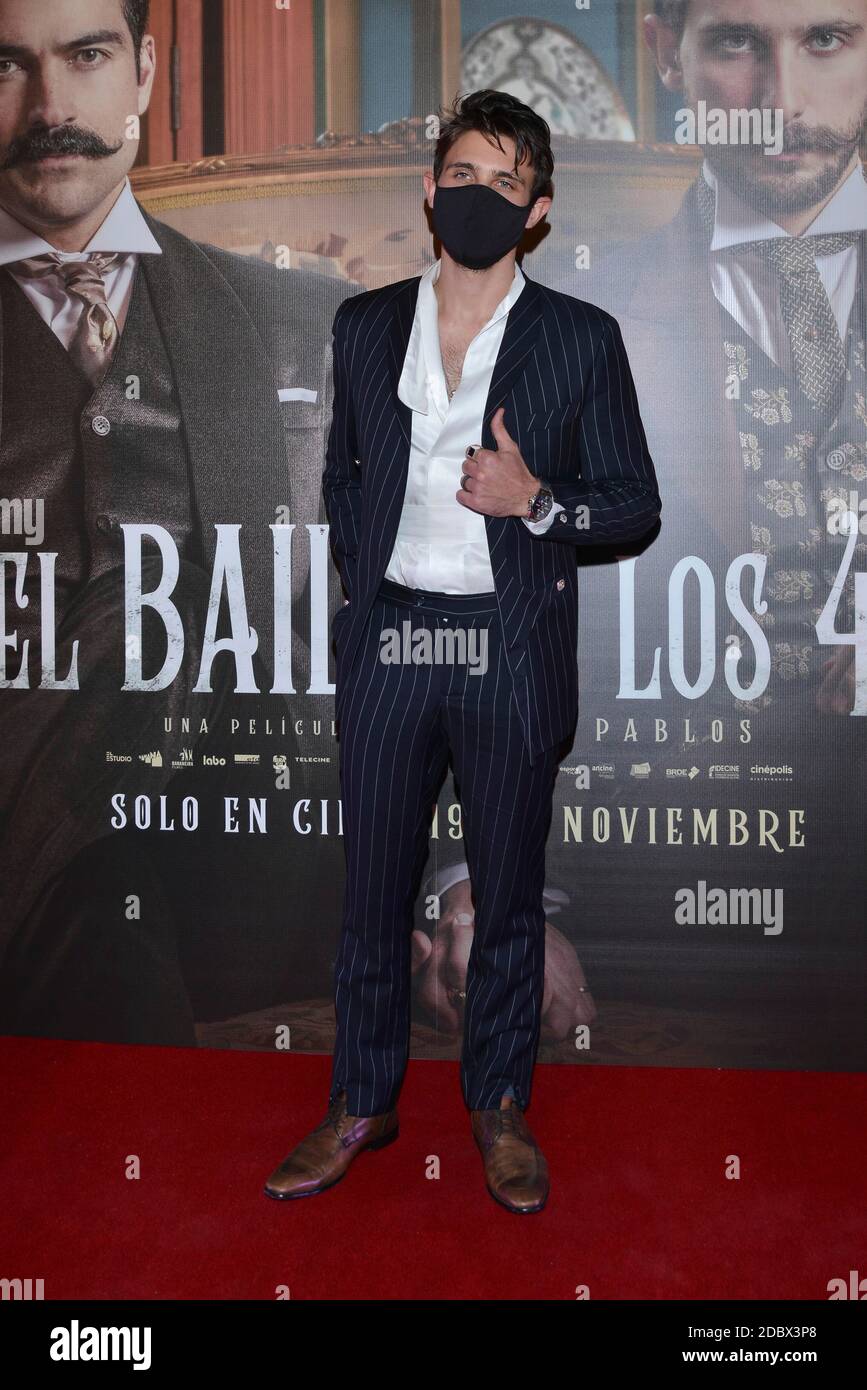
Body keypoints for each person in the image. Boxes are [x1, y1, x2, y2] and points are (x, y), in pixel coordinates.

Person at [263, 89, 661, 1213]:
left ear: (537, 209)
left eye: (505, 181)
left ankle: (497, 1104)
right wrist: (364, 593)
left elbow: (633, 501)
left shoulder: (582, 338)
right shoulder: (364, 322)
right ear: (427, 189)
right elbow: (345, 472)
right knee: (374, 888)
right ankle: (360, 1103)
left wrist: (536, 503)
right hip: (391, 635)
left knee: (509, 897)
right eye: (462, 172)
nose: (479, 194)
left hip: (507, 645)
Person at [0, 0, 348, 1042]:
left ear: (145, 74)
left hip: (272, 852)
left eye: (88, 56)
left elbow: (393, 627)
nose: (51, 105)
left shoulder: (307, 323)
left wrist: (463, 878)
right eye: (6, 65)